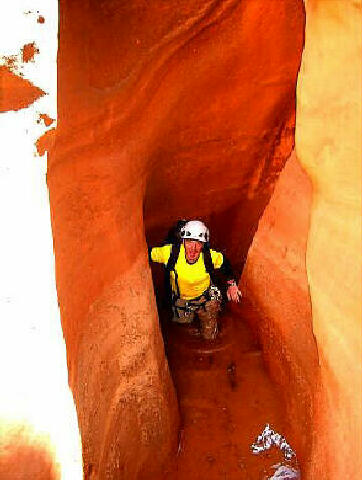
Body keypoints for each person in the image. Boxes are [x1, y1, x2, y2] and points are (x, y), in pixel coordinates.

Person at [149, 220, 242, 340]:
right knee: (183, 326)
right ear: (183, 241)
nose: (193, 249)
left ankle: (211, 313)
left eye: (198, 243)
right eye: (189, 242)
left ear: (203, 245)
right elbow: (147, 253)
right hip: (181, 299)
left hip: (205, 298)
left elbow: (225, 264)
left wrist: (231, 284)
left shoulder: (209, 257)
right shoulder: (170, 253)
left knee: (209, 337)